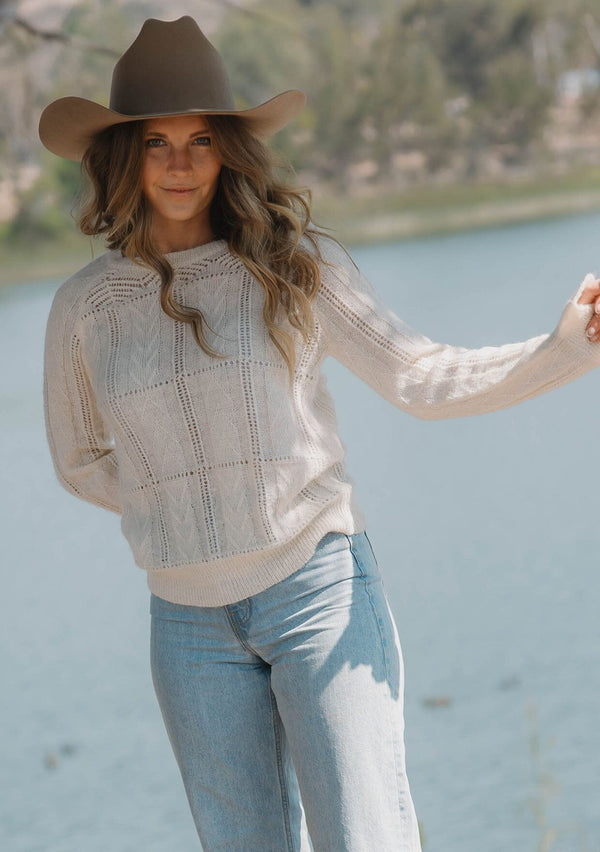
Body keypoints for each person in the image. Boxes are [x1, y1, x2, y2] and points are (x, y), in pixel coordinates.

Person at [39, 15, 600, 852]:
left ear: (228, 147)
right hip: (186, 626)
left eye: (200, 140)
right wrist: (181, 503)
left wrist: (564, 351)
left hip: (319, 594)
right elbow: (79, 460)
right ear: (125, 156)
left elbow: (420, 376)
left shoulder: (290, 266)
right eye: (157, 143)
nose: (181, 163)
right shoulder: (84, 307)